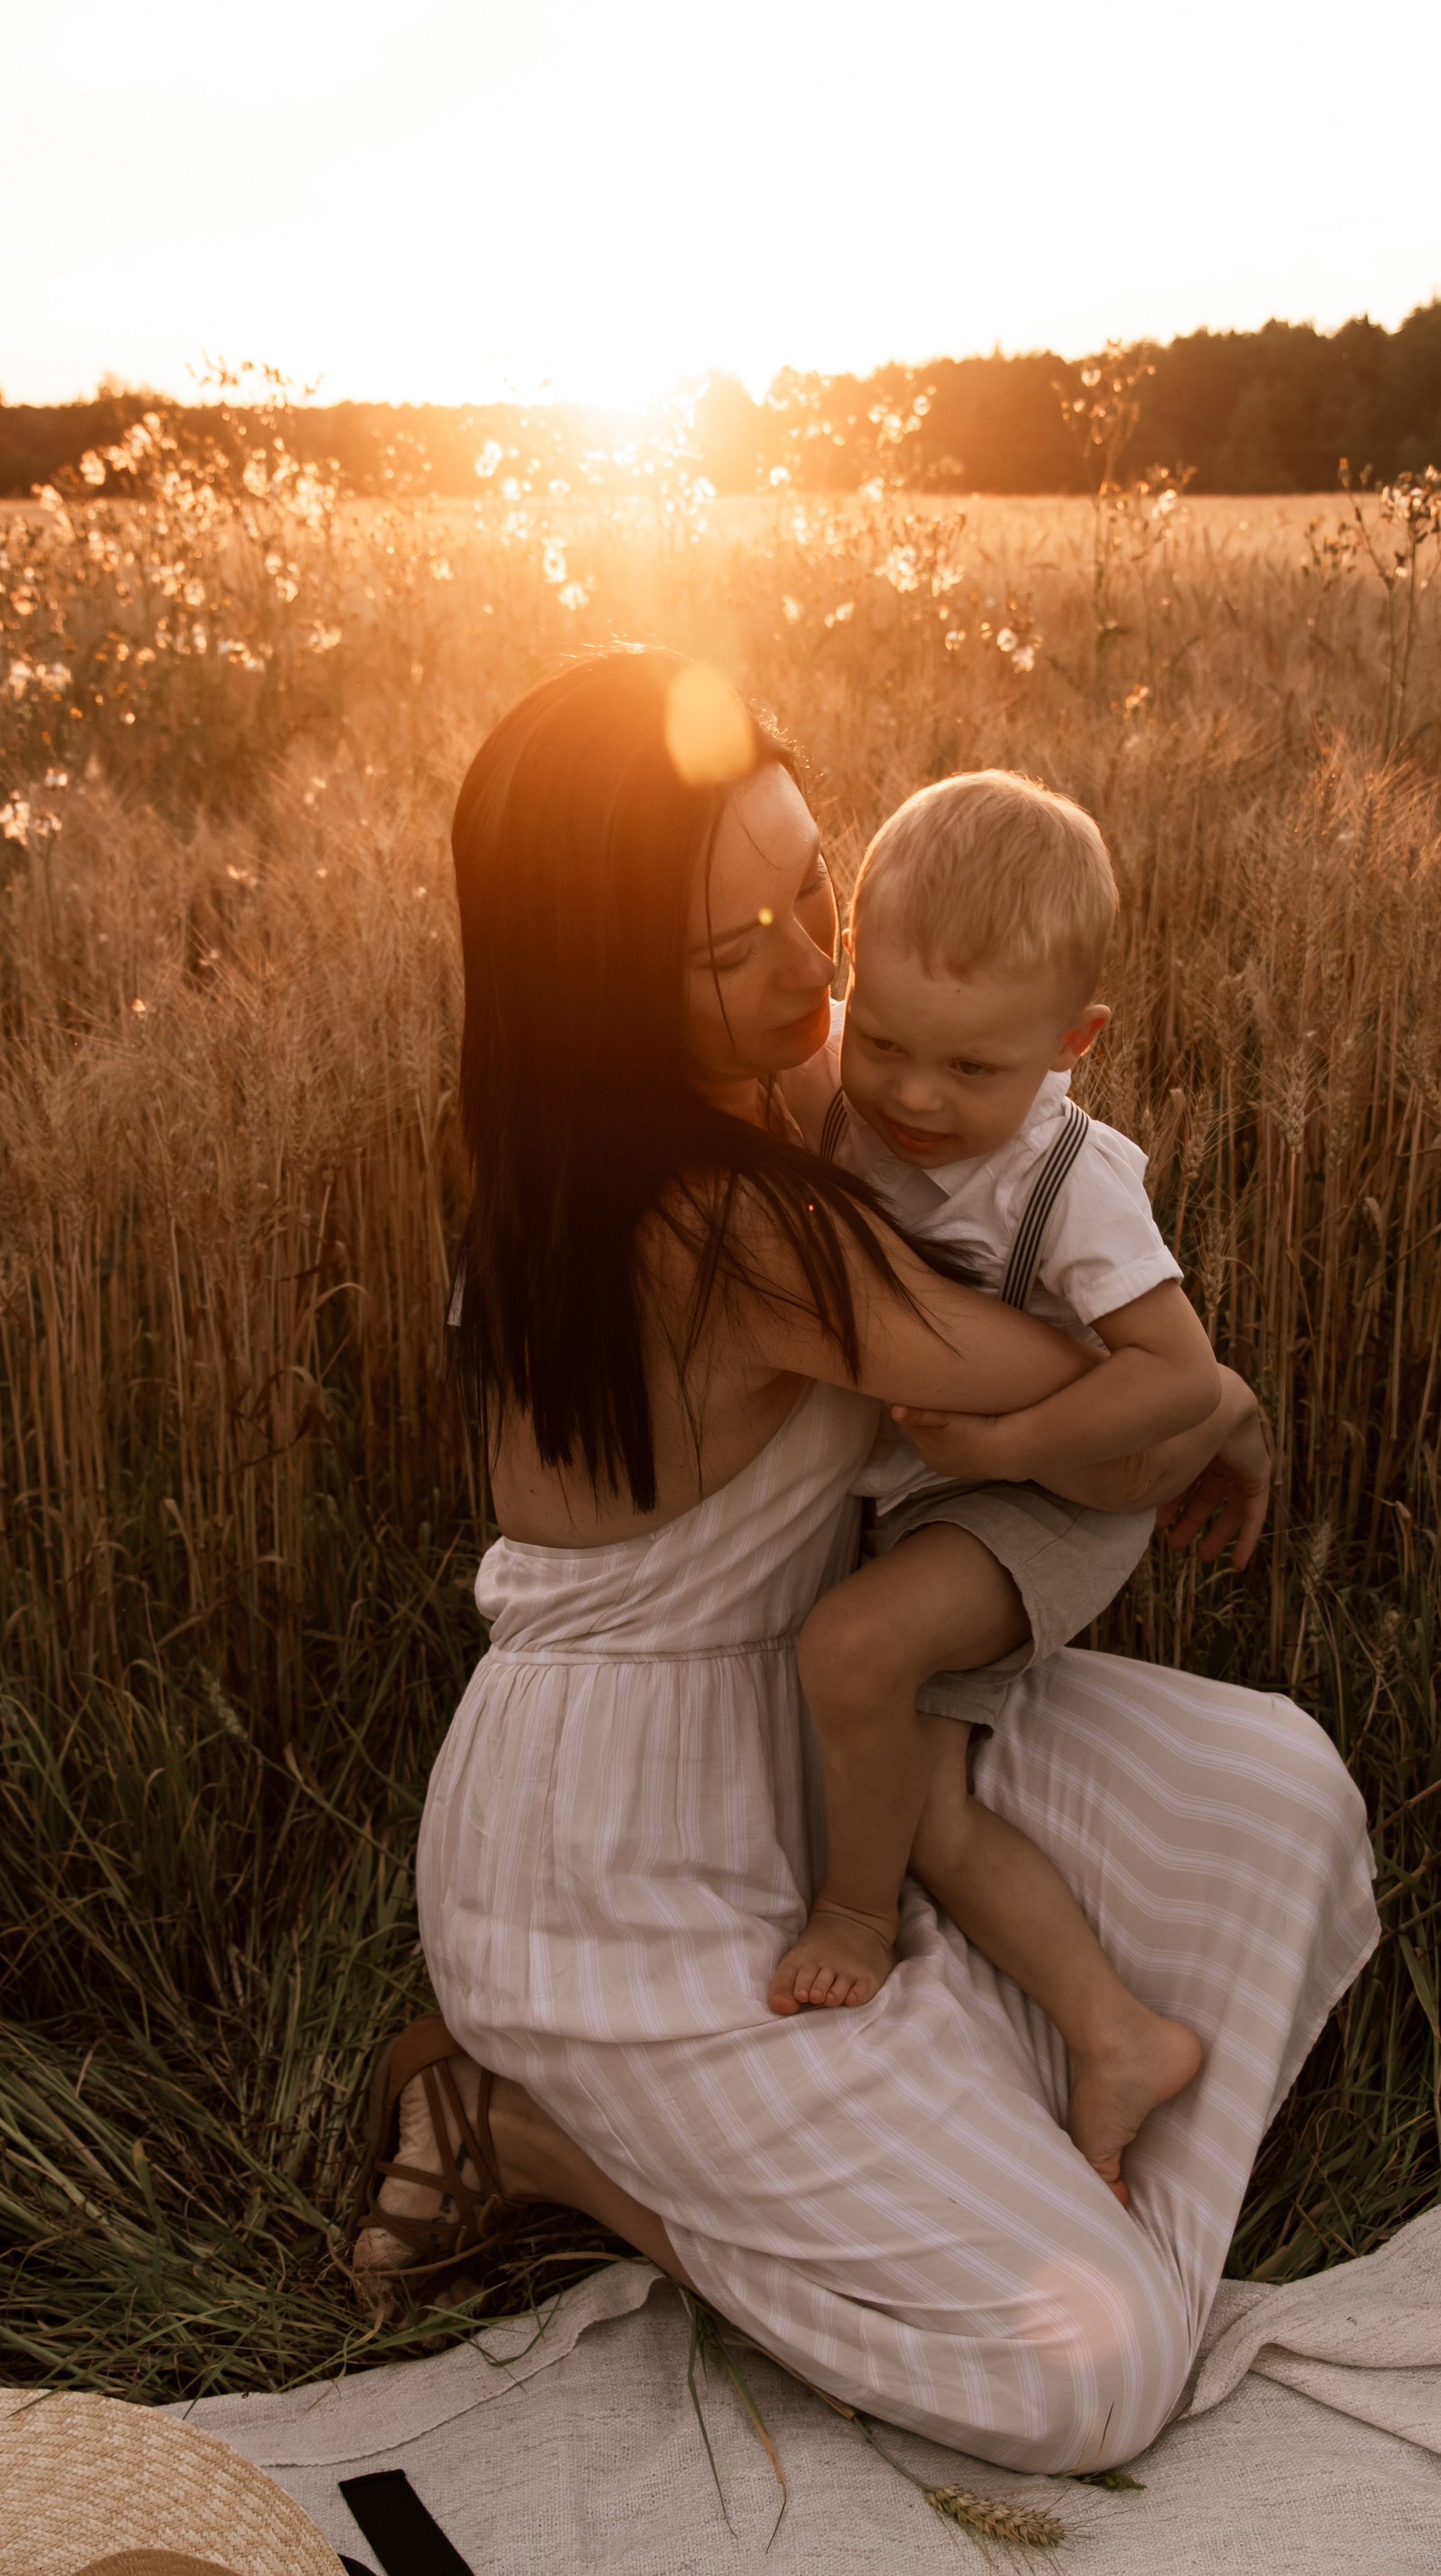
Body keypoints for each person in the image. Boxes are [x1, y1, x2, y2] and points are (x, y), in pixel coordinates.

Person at [348, 649, 1378, 2477]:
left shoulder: (752, 1095)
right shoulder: (712, 1219)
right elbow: (1127, 1402)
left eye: (811, 882)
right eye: (732, 938)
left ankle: (914, 2121)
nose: (815, 960)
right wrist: (1220, 1399)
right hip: (615, 1859)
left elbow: (1016, 1185)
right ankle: (527, 2130)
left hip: (808, 1718)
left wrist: (1200, 1403)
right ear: (601, 982)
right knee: (1099, 2372)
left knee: (1274, 1789)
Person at [769, 772, 1215, 2202]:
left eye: (970, 1072)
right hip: (943, 1491)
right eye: (884, 1042)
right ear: (847, 978)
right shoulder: (851, 1102)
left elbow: (1177, 1377)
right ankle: (1118, 2034)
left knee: (851, 1646)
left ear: (1069, 1044)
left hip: (1050, 1490)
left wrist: (997, 1451)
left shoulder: (1065, 1180)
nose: (910, 1095)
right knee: (936, 1810)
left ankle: (849, 1910)